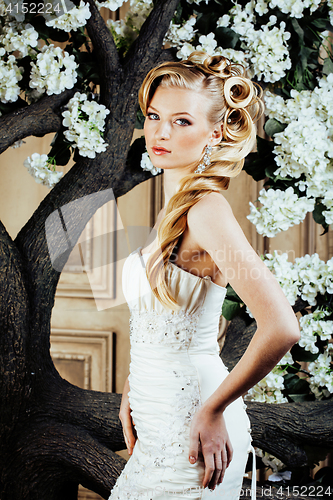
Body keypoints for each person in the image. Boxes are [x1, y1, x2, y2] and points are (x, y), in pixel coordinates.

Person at [109, 51, 300, 500]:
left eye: (181, 121)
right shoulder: (175, 207)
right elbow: (169, 324)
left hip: (193, 432)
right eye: (154, 116)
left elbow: (283, 327)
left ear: (215, 132)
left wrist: (214, 409)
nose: (160, 132)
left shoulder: (206, 210)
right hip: (155, 419)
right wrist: (131, 388)